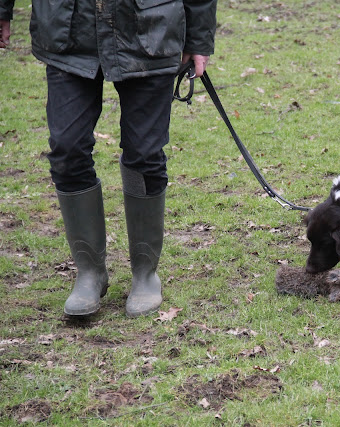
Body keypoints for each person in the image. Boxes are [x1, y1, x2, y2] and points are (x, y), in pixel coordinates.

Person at [0, 0, 217, 317]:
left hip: (150, 26)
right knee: (67, 148)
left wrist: (198, 38)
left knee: (144, 154)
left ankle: (145, 273)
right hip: (68, 27)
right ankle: (90, 272)